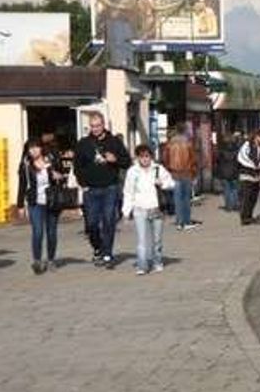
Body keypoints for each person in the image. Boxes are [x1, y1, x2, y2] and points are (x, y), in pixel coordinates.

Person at [74, 111, 130, 268]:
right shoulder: (83, 143)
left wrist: (115, 159)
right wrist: (82, 183)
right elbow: (77, 166)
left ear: (103, 125)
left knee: (108, 221)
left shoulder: (114, 142)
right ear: (89, 127)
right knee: (91, 224)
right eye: (92, 126)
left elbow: (127, 162)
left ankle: (107, 254)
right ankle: (98, 247)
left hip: (109, 188)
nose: (96, 129)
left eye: (98, 126)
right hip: (90, 189)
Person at [121, 144, 175, 276]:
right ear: (138, 157)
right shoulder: (133, 171)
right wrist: (126, 212)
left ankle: (157, 261)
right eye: (142, 156)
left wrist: (162, 183)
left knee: (157, 240)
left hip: (156, 208)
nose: (145, 159)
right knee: (142, 240)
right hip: (140, 208)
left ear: (151, 156)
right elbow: (128, 192)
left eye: (147, 156)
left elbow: (171, 183)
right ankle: (142, 265)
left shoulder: (158, 169)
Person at [15, 138, 64, 274]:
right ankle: (37, 260)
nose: (34, 150)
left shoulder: (51, 160)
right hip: (35, 203)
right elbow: (22, 185)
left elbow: (62, 175)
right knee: (37, 232)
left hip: (52, 201)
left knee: (51, 232)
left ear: (41, 148)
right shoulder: (25, 165)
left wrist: (58, 176)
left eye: (36, 147)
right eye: (30, 148)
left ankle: (51, 260)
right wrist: (20, 205)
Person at [164, 124, 199, 231]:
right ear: (184, 131)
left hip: (174, 173)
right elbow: (193, 159)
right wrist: (194, 173)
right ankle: (186, 221)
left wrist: (168, 170)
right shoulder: (188, 143)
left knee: (177, 199)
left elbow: (165, 159)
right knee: (186, 199)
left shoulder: (169, 144)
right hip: (187, 173)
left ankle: (179, 222)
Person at [237, 129, 260, 225]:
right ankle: (244, 217)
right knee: (246, 197)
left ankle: (249, 216)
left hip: (256, 176)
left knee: (253, 198)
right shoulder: (247, 144)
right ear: (256, 137)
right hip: (246, 175)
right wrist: (253, 165)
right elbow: (242, 157)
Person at [215, 132, 240, 211]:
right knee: (234, 189)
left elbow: (217, 160)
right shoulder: (237, 149)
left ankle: (228, 206)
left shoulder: (221, 150)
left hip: (224, 172)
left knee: (227, 190)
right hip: (235, 171)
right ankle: (235, 205)